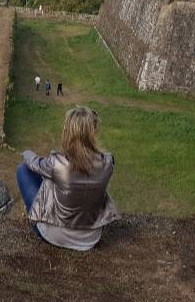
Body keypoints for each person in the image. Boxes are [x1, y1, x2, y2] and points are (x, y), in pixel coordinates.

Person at [16, 107, 119, 251]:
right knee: (53, 178)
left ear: (68, 132)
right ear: (93, 133)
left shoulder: (57, 163)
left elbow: (33, 164)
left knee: (23, 170)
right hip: (91, 239)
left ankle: (35, 220)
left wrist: (26, 153)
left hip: (54, 236)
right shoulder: (107, 163)